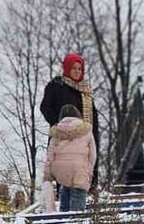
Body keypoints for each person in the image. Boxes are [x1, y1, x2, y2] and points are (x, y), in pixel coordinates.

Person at [40, 53, 100, 191]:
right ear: (67, 68)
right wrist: (60, 126)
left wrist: (93, 139)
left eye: (80, 68)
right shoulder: (56, 85)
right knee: (64, 182)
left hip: (82, 143)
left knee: (82, 182)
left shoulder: (85, 91)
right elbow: (45, 107)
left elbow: (93, 120)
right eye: (73, 68)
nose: (77, 71)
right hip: (63, 141)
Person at [42, 104, 96, 212]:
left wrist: (47, 174)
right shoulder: (86, 130)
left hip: (60, 169)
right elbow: (92, 153)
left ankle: (64, 213)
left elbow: (50, 154)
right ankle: (76, 216)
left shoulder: (56, 131)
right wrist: (89, 170)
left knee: (65, 186)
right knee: (79, 192)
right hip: (79, 167)